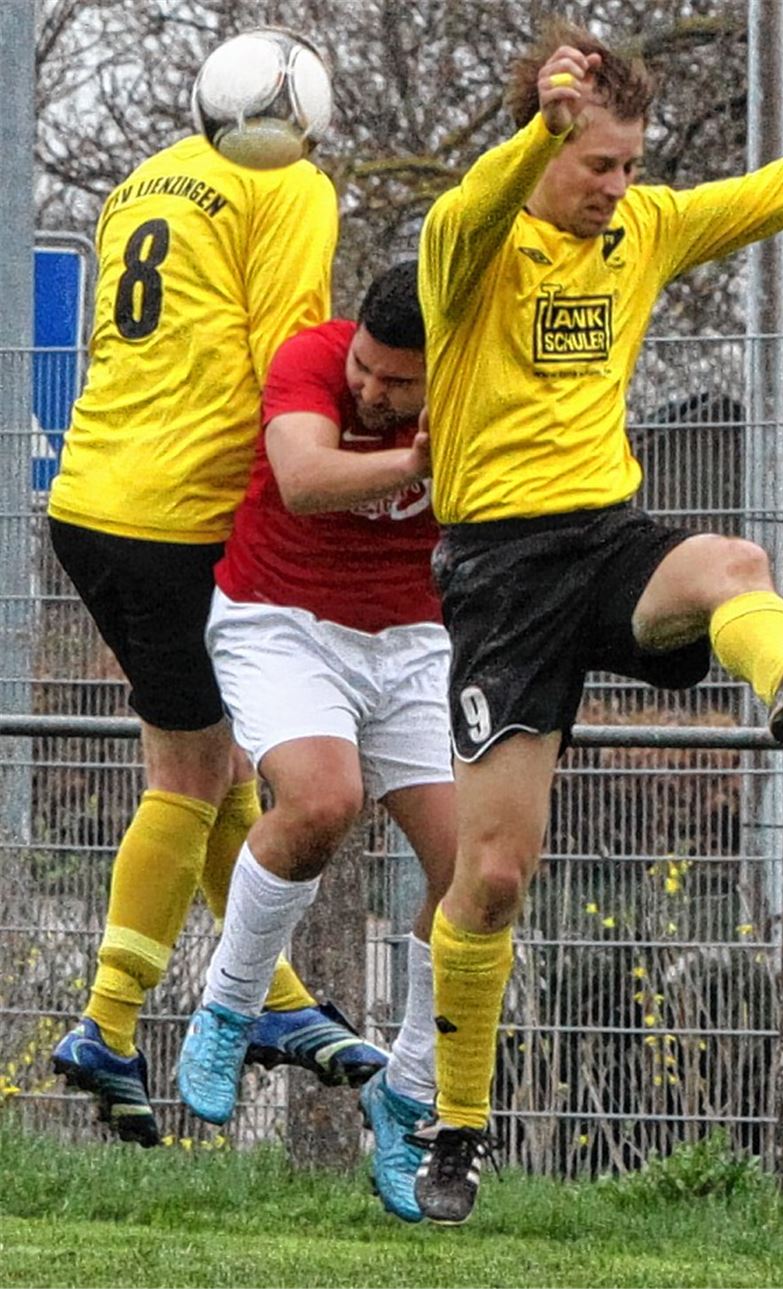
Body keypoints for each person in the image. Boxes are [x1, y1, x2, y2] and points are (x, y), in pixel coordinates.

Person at [408, 20, 783, 1223]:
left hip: (608, 538)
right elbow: (475, 197)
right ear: (551, 147)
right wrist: (535, 132)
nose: (619, 187)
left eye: (631, 163)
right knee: (495, 876)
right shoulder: (470, 248)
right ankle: (456, 1125)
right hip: (500, 576)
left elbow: (782, 189)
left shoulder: (647, 229)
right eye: (597, 166)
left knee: (734, 560)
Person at [48, 29, 386, 1150]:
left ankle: (277, 1002)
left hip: (89, 495)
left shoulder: (146, 180)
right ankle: (105, 1020)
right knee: (191, 773)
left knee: (215, 761)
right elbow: (284, 355)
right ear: (308, 118)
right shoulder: (289, 182)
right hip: (175, 512)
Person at [176, 262, 452, 1224]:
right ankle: (227, 1010)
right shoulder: (311, 358)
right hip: (280, 620)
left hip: (416, 643)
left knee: (475, 873)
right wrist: (421, 462)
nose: (372, 391)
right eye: (369, 371)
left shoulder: (484, 390)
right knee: (322, 801)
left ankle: (408, 1092)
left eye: (398, 383)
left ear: (445, 368)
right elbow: (302, 477)